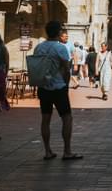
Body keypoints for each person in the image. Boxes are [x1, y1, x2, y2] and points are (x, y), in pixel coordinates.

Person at [35, 21, 82, 161]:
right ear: (58, 33)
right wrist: (66, 85)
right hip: (58, 87)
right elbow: (66, 69)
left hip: (43, 87)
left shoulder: (39, 48)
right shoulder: (60, 48)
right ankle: (67, 151)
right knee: (67, 118)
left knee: (45, 119)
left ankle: (47, 151)